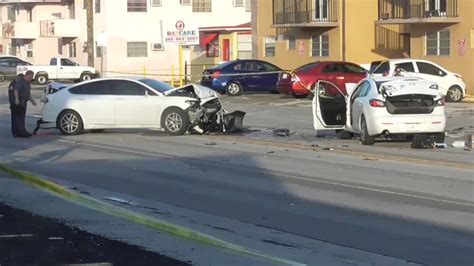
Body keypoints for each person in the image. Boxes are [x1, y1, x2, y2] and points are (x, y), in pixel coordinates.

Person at [12, 70, 36, 138]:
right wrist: (16, 99)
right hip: (19, 102)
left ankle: (22, 131)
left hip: (24, 102)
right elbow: (16, 90)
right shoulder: (21, 82)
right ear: (27, 75)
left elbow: (28, 93)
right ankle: (19, 132)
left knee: (22, 118)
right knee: (19, 118)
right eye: (31, 76)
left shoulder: (27, 83)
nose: (31, 78)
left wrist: (32, 101)